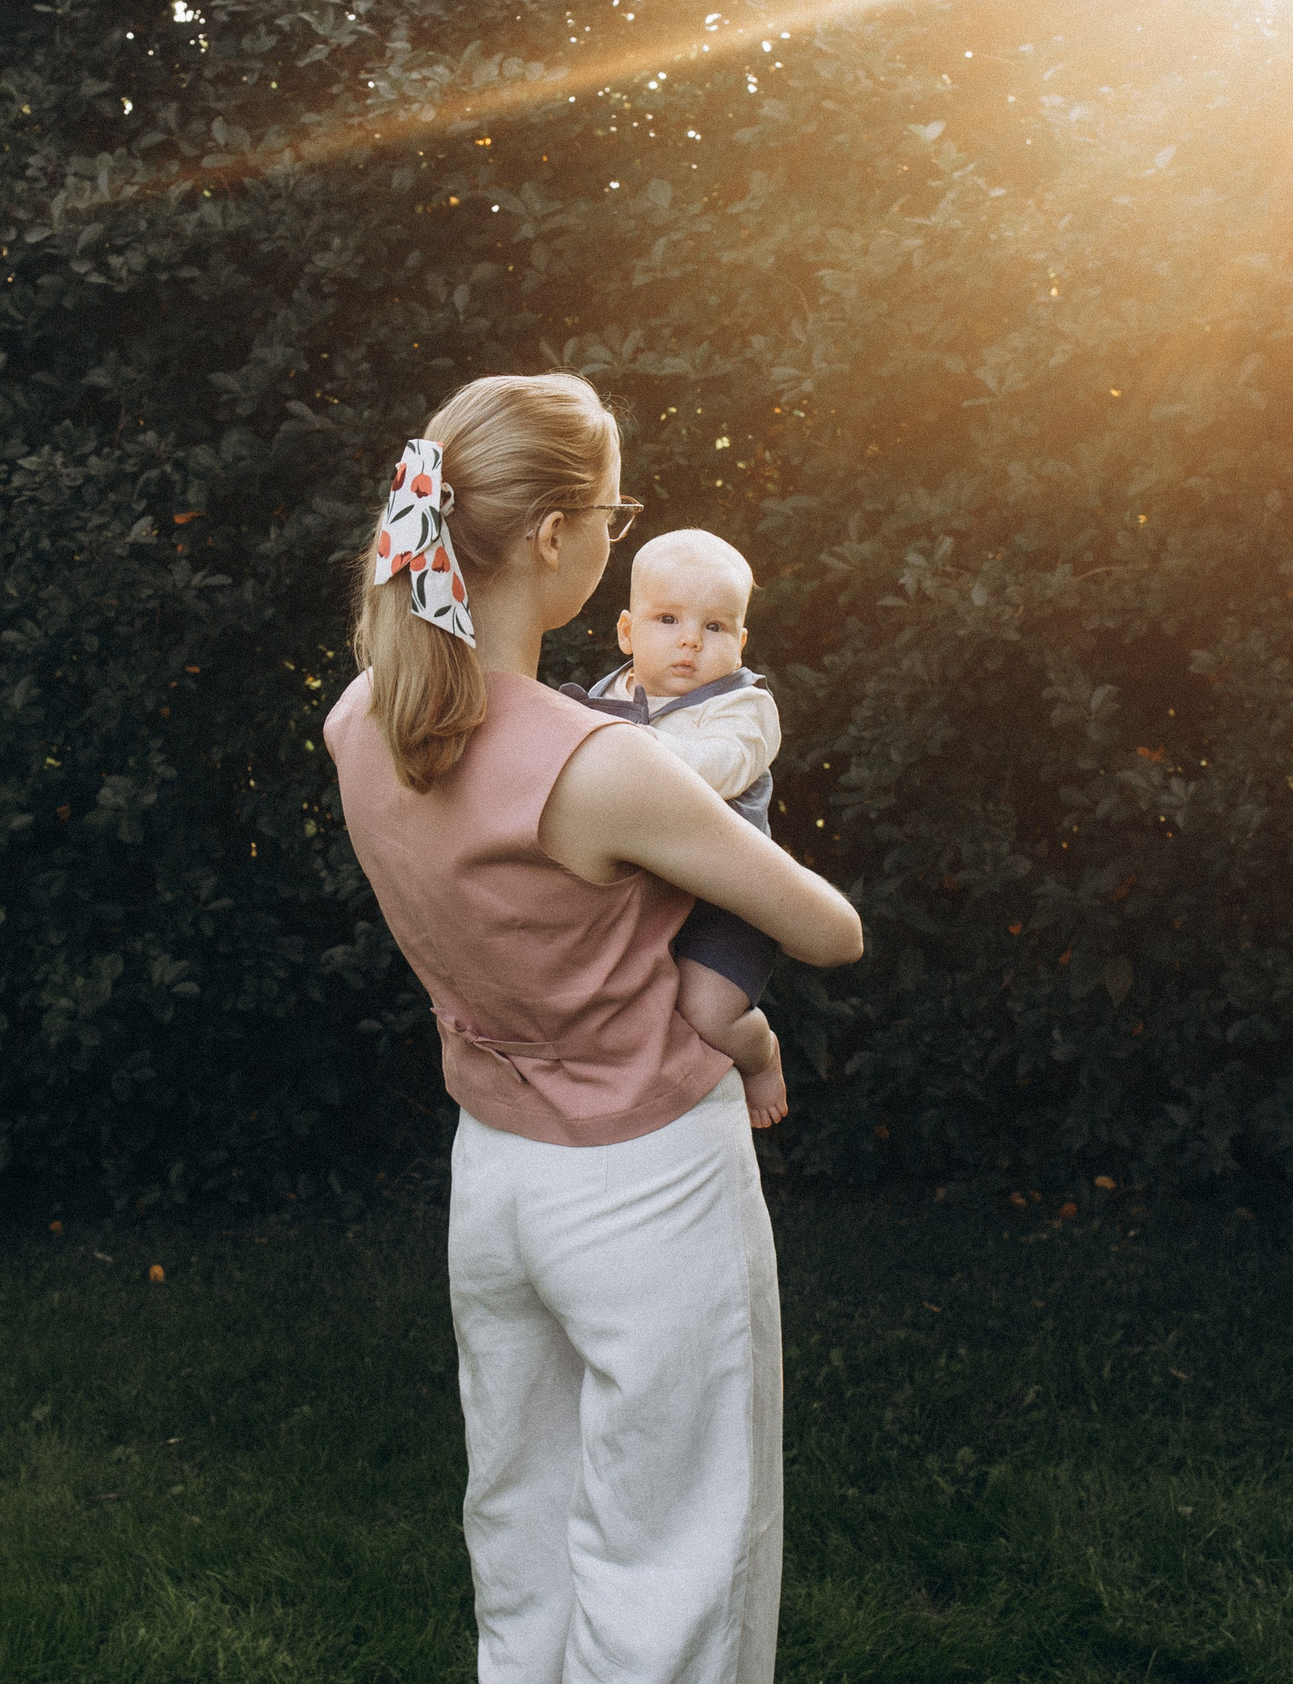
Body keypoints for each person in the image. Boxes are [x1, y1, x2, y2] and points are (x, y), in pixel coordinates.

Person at [322, 372, 862, 1684]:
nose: (617, 540)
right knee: (675, 1557)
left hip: (494, 1181)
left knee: (523, 1534)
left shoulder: (359, 724)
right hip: (645, 1186)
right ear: (555, 537)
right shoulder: (602, 764)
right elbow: (829, 929)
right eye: (615, 518)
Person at [561, 528, 789, 1128]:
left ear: (740, 643)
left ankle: (761, 1053)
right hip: (640, 896)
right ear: (626, 632)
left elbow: (722, 766)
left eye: (714, 627)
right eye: (667, 619)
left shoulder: (743, 707)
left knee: (708, 1011)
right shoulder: (604, 695)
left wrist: (628, 751)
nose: (690, 639)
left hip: (725, 902)